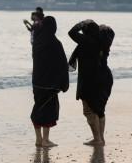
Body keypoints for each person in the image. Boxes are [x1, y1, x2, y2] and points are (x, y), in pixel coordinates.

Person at [30, 16, 69, 147]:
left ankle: (38, 139)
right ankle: (46, 140)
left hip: (37, 82)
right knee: (49, 111)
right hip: (50, 84)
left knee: (38, 107)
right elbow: (63, 65)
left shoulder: (37, 42)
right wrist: (64, 84)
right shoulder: (55, 43)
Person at [68, 20, 104, 146]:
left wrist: (81, 23)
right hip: (98, 78)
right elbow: (110, 32)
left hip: (87, 79)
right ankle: (100, 138)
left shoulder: (86, 41)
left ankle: (97, 139)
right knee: (97, 109)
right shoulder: (100, 41)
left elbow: (71, 32)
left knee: (88, 111)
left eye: (85, 29)